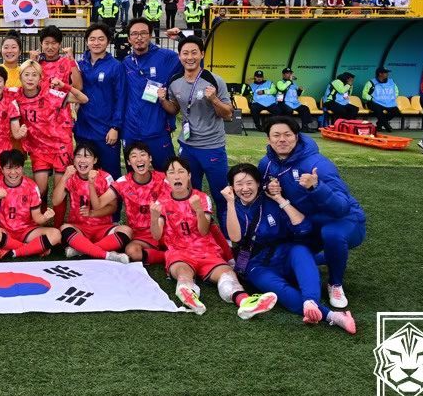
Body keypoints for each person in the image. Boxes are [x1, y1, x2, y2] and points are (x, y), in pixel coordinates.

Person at [223, 164, 356, 334]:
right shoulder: (232, 207)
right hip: (256, 264)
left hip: (284, 252)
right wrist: (230, 203)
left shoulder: (270, 199)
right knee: (282, 291)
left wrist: (279, 199)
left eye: (249, 183)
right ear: (232, 187)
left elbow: (303, 226)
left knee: (300, 251)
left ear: (258, 183)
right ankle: (333, 316)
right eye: (239, 184)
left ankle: (310, 301)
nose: (245, 188)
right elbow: (235, 237)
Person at [260, 117, 366, 310]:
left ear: (297, 137)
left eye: (287, 135)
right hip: (309, 223)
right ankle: (328, 257)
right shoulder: (266, 163)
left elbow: (342, 207)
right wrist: (268, 186)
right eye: (276, 135)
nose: (282, 140)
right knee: (291, 254)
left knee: (331, 234)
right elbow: (263, 186)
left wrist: (316, 187)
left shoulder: (318, 164)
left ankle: (335, 283)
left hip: (344, 220)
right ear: (268, 139)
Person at [150, 157, 277, 318]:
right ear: (166, 178)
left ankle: (245, 302)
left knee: (227, 276)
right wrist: (154, 218)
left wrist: (198, 211)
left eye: (181, 171)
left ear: (189, 175)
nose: (177, 176)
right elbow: (156, 235)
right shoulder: (161, 202)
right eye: (172, 172)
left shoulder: (201, 198)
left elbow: (203, 231)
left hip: (207, 251)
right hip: (179, 252)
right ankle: (190, 294)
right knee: (183, 272)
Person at [157, 36, 233, 220]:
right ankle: (193, 232)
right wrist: (162, 100)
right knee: (190, 193)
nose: (189, 57)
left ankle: (228, 236)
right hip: (188, 147)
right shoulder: (175, 81)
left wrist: (214, 99)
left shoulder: (214, 80)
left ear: (201, 54)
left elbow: (228, 114)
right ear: (179, 56)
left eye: (194, 52)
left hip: (212, 146)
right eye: (185, 53)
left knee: (220, 194)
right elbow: (174, 109)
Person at [14, 60, 88, 199]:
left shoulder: (51, 94)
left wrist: (65, 85)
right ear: (20, 77)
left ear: (40, 78)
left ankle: (59, 222)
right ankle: (40, 219)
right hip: (39, 149)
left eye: (34, 75)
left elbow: (83, 99)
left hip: (60, 146)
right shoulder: (14, 95)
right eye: (27, 74)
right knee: (40, 190)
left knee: (60, 189)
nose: (30, 78)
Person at [89, 141, 167, 266]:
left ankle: (173, 252)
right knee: (132, 252)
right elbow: (98, 204)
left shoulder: (163, 178)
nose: (139, 159)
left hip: (165, 230)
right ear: (129, 162)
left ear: (150, 158)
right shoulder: (123, 182)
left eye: (143, 155)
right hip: (141, 235)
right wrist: (91, 184)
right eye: (134, 156)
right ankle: (167, 256)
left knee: (185, 243)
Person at [51, 143, 129, 261]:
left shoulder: (105, 177)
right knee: (64, 228)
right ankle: (106, 254)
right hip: (79, 229)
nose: (82, 160)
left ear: (95, 160)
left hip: (103, 228)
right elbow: (56, 201)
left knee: (126, 231)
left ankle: (82, 250)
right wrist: (64, 177)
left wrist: (92, 213)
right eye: (78, 156)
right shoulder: (71, 177)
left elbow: (113, 207)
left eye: (87, 156)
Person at [122, 17, 182, 170]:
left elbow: (193, 60)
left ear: (150, 35)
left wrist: (181, 38)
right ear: (129, 38)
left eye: (143, 33)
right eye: (135, 34)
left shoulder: (166, 57)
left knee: (167, 176)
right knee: (133, 178)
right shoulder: (126, 62)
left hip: (157, 130)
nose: (139, 37)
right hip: (131, 132)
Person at [0, 150, 61, 261]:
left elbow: (37, 217)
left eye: (17, 167)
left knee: (56, 234)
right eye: (9, 168)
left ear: (22, 168)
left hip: (27, 231)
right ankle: (30, 249)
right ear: (2, 169)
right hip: (3, 231)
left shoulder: (31, 186)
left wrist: (45, 217)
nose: (13, 172)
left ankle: (11, 253)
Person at [74, 23, 126, 180]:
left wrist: (115, 127)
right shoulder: (79, 65)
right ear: (87, 42)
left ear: (108, 41)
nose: (96, 43)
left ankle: (113, 205)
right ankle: (87, 205)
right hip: (83, 129)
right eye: (92, 39)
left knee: (110, 174)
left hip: (106, 131)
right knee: (84, 174)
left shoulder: (116, 66)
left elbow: (121, 98)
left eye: (101, 39)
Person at [361, 67, 401, 132]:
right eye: (386, 72)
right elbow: (364, 94)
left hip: (388, 103)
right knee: (378, 110)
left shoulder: (391, 81)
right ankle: (386, 125)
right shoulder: (371, 82)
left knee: (396, 111)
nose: (387, 74)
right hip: (374, 102)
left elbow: (396, 91)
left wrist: (390, 98)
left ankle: (380, 124)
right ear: (380, 74)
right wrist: (372, 98)